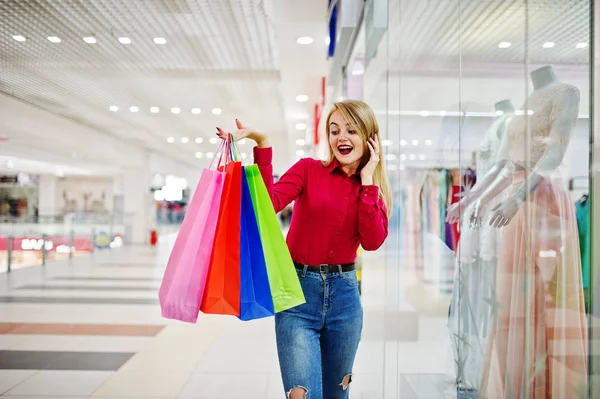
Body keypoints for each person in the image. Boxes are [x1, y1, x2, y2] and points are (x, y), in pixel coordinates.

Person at [217, 100, 392, 399]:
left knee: (336, 395)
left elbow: (372, 241)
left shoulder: (373, 191)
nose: (341, 138)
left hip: (345, 301)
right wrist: (262, 143)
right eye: (334, 130)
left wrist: (367, 181)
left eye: (350, 130)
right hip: (297, 295)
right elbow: (267, 205)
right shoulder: (309, 170)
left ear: (369, 137)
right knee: (301, 394)